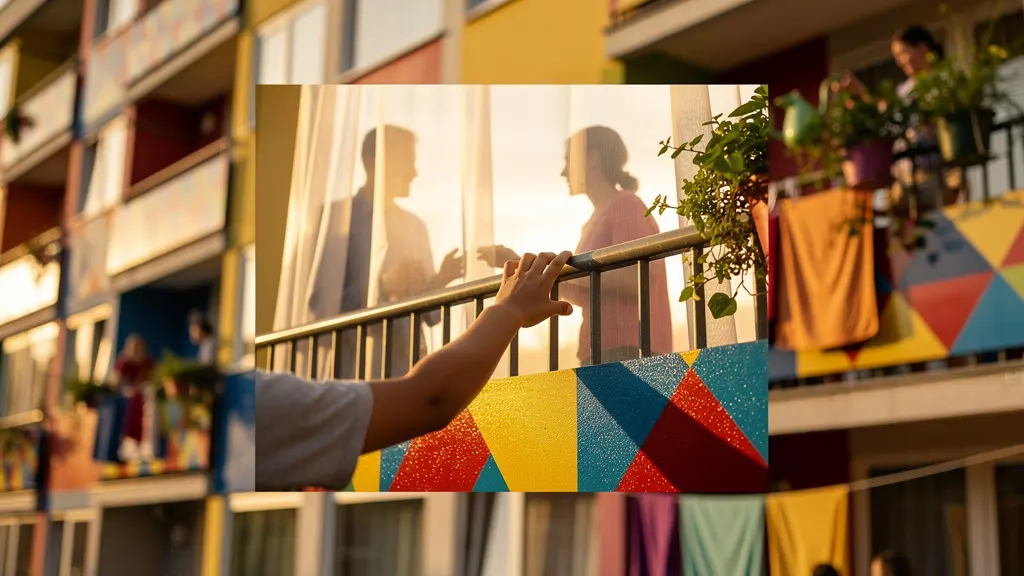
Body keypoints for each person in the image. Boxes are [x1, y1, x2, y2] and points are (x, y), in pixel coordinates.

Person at [256, 251, 573, 491]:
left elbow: (430, 334)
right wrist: (509, 310)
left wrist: (438, 281)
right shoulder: (256, 405)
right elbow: (430, 398)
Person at [478, 125, 672, 364]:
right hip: (604, 348)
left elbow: (634, 279)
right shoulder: (595, 220)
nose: (563, 172)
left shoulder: (627, 206)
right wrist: (524, 265)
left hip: (631, 346)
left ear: (593, 159)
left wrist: (559, 269)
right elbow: (587, 289)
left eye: (569, 160)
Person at [309, 125, 464, 378]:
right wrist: (381, 286)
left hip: (411, 374)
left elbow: (431, 317)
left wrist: (441, 280)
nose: (414, 173)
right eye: (407, 162)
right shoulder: (337, 220)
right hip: (358, 378)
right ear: (375, 163)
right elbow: (322, 305)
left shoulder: (415, 226)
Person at [838, 25, 961, 215]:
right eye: (896, 56)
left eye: (903, 53)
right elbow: (890, 115)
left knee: (940, 225)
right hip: (905, 177)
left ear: (923, 49)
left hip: (935, 174)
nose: (899, 62)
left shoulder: (942, 82)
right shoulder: (904, 91)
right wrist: (860, 95)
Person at [113, 334, 154, 458]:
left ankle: (145, 443)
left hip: (144, 395)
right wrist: (130, 388)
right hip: (129, 394)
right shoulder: (124, 362)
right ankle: (129, 443)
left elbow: (154, 378)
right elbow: (117, 382)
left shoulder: (148, 362)